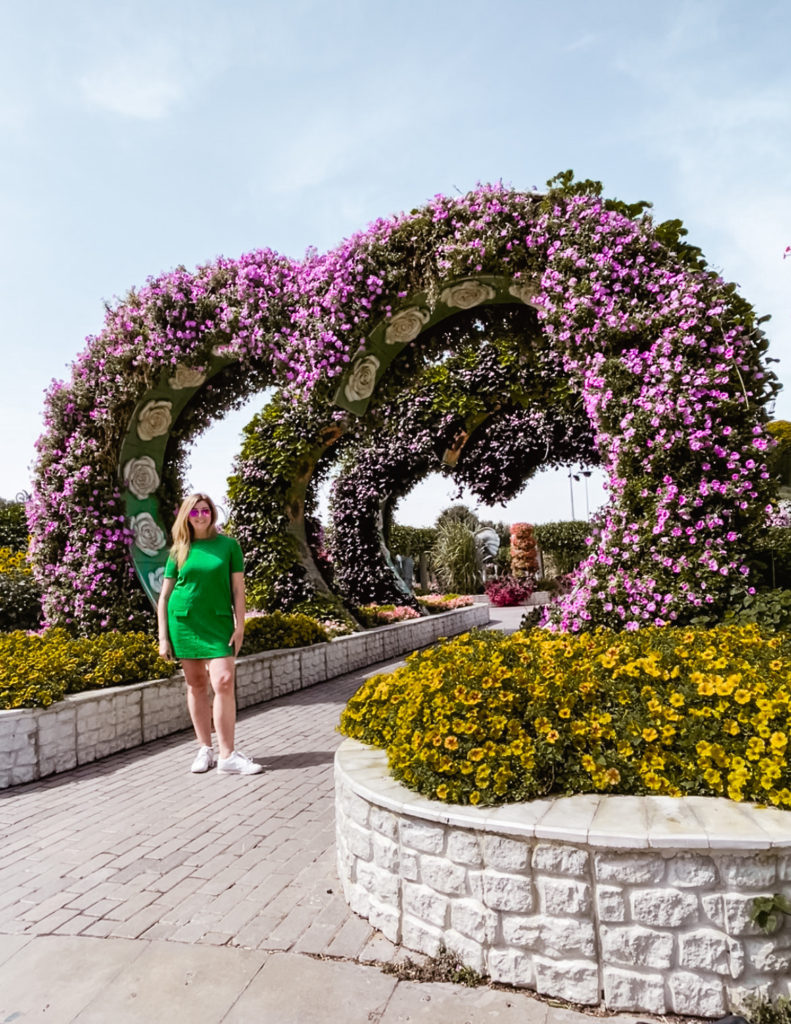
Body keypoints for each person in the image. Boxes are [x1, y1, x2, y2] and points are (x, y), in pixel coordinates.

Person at [157, 493, 263, 775]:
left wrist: (240, 625)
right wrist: (163, 637)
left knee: (224, 681)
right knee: (196, 685)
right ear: (187, 517)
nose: (201, 515)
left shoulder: (228, 546)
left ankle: (227, 756)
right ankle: (205, 749)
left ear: (212, 514)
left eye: (205, 510)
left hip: (218, 624)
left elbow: (239, 590)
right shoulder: (179, 549)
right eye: (195, 512)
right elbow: (165, 597)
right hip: (185, 622)